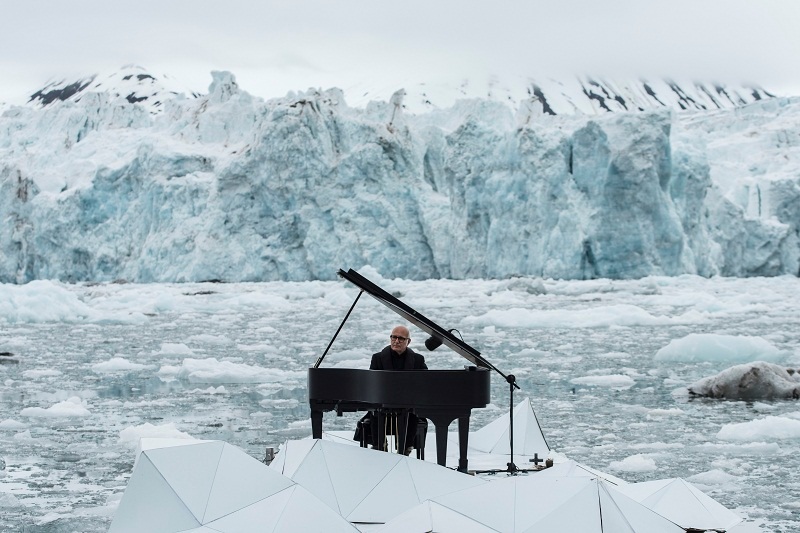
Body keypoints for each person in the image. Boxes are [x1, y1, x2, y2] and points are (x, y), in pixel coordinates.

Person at [354, 325, 428, 455]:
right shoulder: (377, 358)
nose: (396, 341)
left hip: (408, 406)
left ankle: (406, 448)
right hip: (383, 406)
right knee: (375, 413)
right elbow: (372, 384)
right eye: (394, 337)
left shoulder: (418, 359)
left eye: (401, 338)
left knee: (413, 414)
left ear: (408, 341)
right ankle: (380, 447)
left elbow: (425, 383)